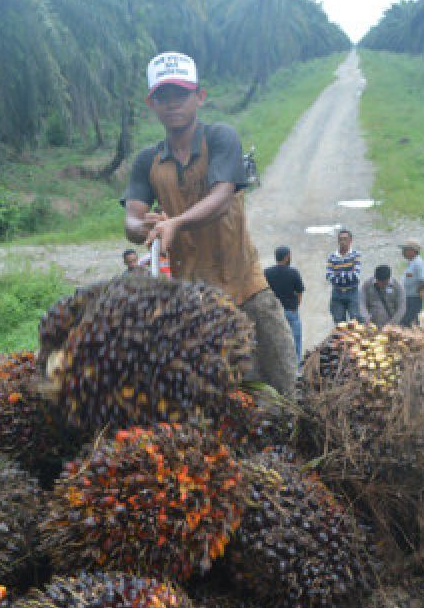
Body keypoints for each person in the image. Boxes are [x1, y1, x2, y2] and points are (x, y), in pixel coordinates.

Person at [122, 52, 296, 395]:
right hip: (194, 303)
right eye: (163, 96)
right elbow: (131, 218)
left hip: (246, 287)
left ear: (199, 97)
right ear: (151, 103)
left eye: (181, 94)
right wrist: (144, 226)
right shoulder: (148, 161)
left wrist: (176, 224)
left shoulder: (220, 138)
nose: (172, 104)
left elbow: (221, 196)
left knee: (286, 383)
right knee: (219, 396)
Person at [264, 245, 305, 363]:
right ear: (287, 257)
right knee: (295, 342)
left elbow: (264, 292)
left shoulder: (267, 272)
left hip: (275, 312)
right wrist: (296, 306)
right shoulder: (293, 272)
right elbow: (300, 292)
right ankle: (296, 369)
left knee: (276, 341)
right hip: (291, 312)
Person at [326, 227, 362, 324]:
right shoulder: (332, 257)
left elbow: (355, 275)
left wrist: (338, 274)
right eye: (341, 239)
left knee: (356, 321)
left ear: (350, 240)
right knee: (339, 323)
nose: (343, 241)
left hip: (352, 292)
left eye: (345, 239)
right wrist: (346, 274)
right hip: (337, 293)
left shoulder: (356, 255)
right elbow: (329, 276)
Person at [400, 239, 424, 327]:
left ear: (412, 251)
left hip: (414, 299)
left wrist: (418, 290)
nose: (402, 252)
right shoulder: (412, 262)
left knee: (409, 322)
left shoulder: (418, 263)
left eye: (405, 250)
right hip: (409, 298)